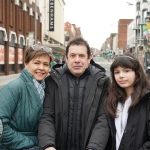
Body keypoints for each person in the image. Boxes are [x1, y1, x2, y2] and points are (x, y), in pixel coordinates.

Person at [38, 37, 110, 150]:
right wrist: (48, 145)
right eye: (72, 56)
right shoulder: (52, 81)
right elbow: (47, 116)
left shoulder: (102, 82)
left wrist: (94, 147)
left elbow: (103, 119)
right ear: (66, 58)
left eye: (81, 56)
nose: (77, 60)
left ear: (89, 58)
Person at [0, 44, 53, 149]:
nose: (41, 68)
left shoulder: (46, 88)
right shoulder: (14, 88)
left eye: (46, 64)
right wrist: (29, 145)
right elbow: (1, 127)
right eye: (36, 63)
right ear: (26, 64)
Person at [105, 54, 150, 150]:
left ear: (137, 73)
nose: (121, 76)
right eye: (117, 72)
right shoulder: (112, 99)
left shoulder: (147, 99)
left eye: (126, 71)